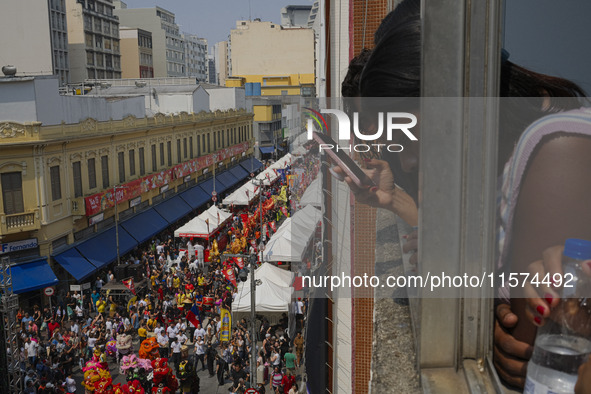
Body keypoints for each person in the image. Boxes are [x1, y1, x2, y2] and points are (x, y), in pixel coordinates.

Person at [342, 0, 591, 388]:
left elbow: (533, 345)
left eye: (402, 138)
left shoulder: (558, 150)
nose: (405, 164)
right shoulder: (506, 158)